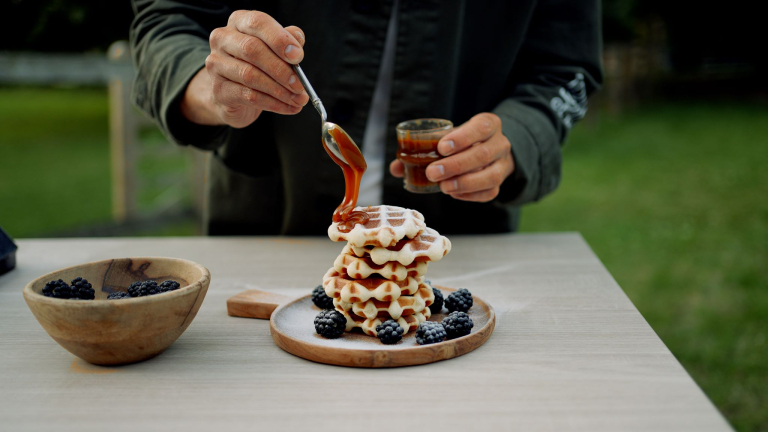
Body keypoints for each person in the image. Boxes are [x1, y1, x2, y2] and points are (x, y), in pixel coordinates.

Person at [130, 0, 602, 236]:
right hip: (268, 237)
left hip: (465, 249)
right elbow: (165, 24)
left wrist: (517, 137)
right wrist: (213, 87)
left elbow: (566, 68)